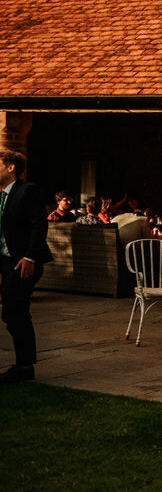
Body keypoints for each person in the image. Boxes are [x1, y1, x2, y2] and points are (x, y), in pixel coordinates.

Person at [0, 150, 54, 384]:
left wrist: (30, 257)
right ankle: (23, 365)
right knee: (12, 311)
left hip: (23, 262)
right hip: (3, 261)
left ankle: (24, 366)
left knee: (14, 309)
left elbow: (39, 225)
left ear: (10, 167)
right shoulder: (0, 195)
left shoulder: (27, 190)